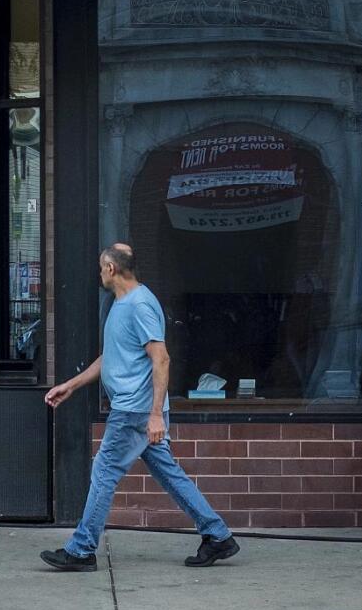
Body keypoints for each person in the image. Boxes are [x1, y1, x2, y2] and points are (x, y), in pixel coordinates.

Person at [39, 243, 239, 572]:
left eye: (101, 267)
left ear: (111, 269)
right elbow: (112, 358)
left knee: (103, 473)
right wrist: (70, 386)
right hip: (136, 410)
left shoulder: (141, 305)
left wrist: (156, 414)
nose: (99, 273)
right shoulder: (121, 304)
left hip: (134, 410)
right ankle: (217, 536)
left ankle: (81, 549)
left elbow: (161, 359)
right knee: (169, 474)